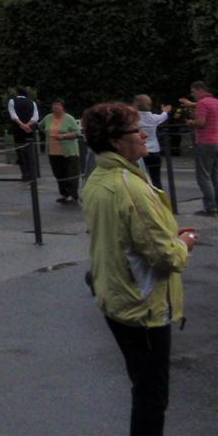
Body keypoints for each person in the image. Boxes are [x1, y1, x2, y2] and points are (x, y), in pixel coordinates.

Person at [81, 101, 197, 436]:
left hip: (116, 294)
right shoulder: (130, 187)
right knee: (151, 397)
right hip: (142, 306)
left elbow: (123, 237)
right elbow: (166, 258)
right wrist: (185, 241)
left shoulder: (99, 178)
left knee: (143, 387)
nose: (144, 134)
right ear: (117, 141)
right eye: (136, 130)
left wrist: (164, 235)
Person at [178, 81, 218, 215]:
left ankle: (210, 207)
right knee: (215, 175)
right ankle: (216, 204)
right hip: (217, 142)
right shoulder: (215, 101)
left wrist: (191, 123)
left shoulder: (202, 103)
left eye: (193, 92)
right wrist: (191, 104)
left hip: (206, 142)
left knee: (203, 176)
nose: (192, 94)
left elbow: (201, 123)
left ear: (199, 90)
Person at [39, 100, 82, 203]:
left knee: (70, 173)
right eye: (54, 105)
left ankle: (73, 195)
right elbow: (41, 126)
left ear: (63, 107)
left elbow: (77, 133)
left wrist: (63, 136)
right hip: (53, 152)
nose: (56, 107)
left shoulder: (69, 118)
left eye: (58, 105)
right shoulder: (48, 117)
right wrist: (46, 133)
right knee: (58, 174)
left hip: (69, 152)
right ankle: (64, 194)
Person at [133, 95, 171, 188]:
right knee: (156, 179)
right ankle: (159, 199)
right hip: (155, 151)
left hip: (140, 152)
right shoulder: (153, 118)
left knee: (140, 179)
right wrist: (165, 111)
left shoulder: (134, 118)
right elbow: (163, 116)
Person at [8, 85, 41, 183]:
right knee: (30, 151)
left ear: (17, 93)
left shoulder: (12, 101)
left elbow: (13, 115)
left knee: (20, 151)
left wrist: (22, 125)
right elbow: (36, 117)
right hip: (30, 129)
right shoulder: (32, 102)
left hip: (18, 129)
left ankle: (24, 174)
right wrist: (28, 125)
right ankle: (32, 173)